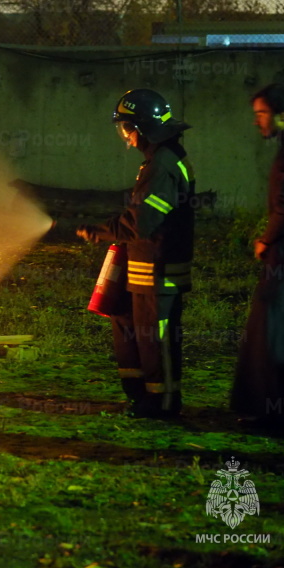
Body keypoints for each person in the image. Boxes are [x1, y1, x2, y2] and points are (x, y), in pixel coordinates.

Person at [77, 89, 195, 418]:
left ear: (141, 129)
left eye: (126, 129)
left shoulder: (164, 166)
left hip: (160, 269)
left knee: (156, 340)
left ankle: (164, 404)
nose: (125, 138)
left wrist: (100, 231)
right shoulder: (159, 161)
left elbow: (142, 221)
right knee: (131, 330)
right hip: (144, 266)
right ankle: (143, 397)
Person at [231, 83, 284, 426]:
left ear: (282, 114)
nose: (256, 122)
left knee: (275, 323)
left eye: (261, 114)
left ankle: (275, 411)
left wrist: (266, 239)